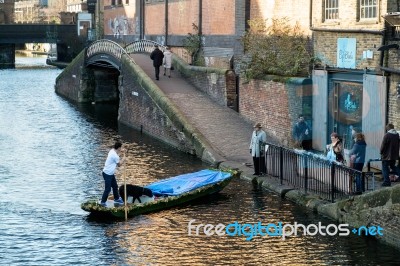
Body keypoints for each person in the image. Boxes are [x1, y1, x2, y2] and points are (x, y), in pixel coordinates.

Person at [100, 141, 125, 207]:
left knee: (115, 186)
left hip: (110, 173)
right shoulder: (115, 156)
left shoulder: (112, 151)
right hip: (107, 174)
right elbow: (119, 164)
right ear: (119, 148)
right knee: (108, 189)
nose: (121, 149)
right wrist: (124, 159)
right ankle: (103, 202)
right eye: (121, 148)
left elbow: (117, 155)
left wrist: (120, 153)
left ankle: (116, 199)